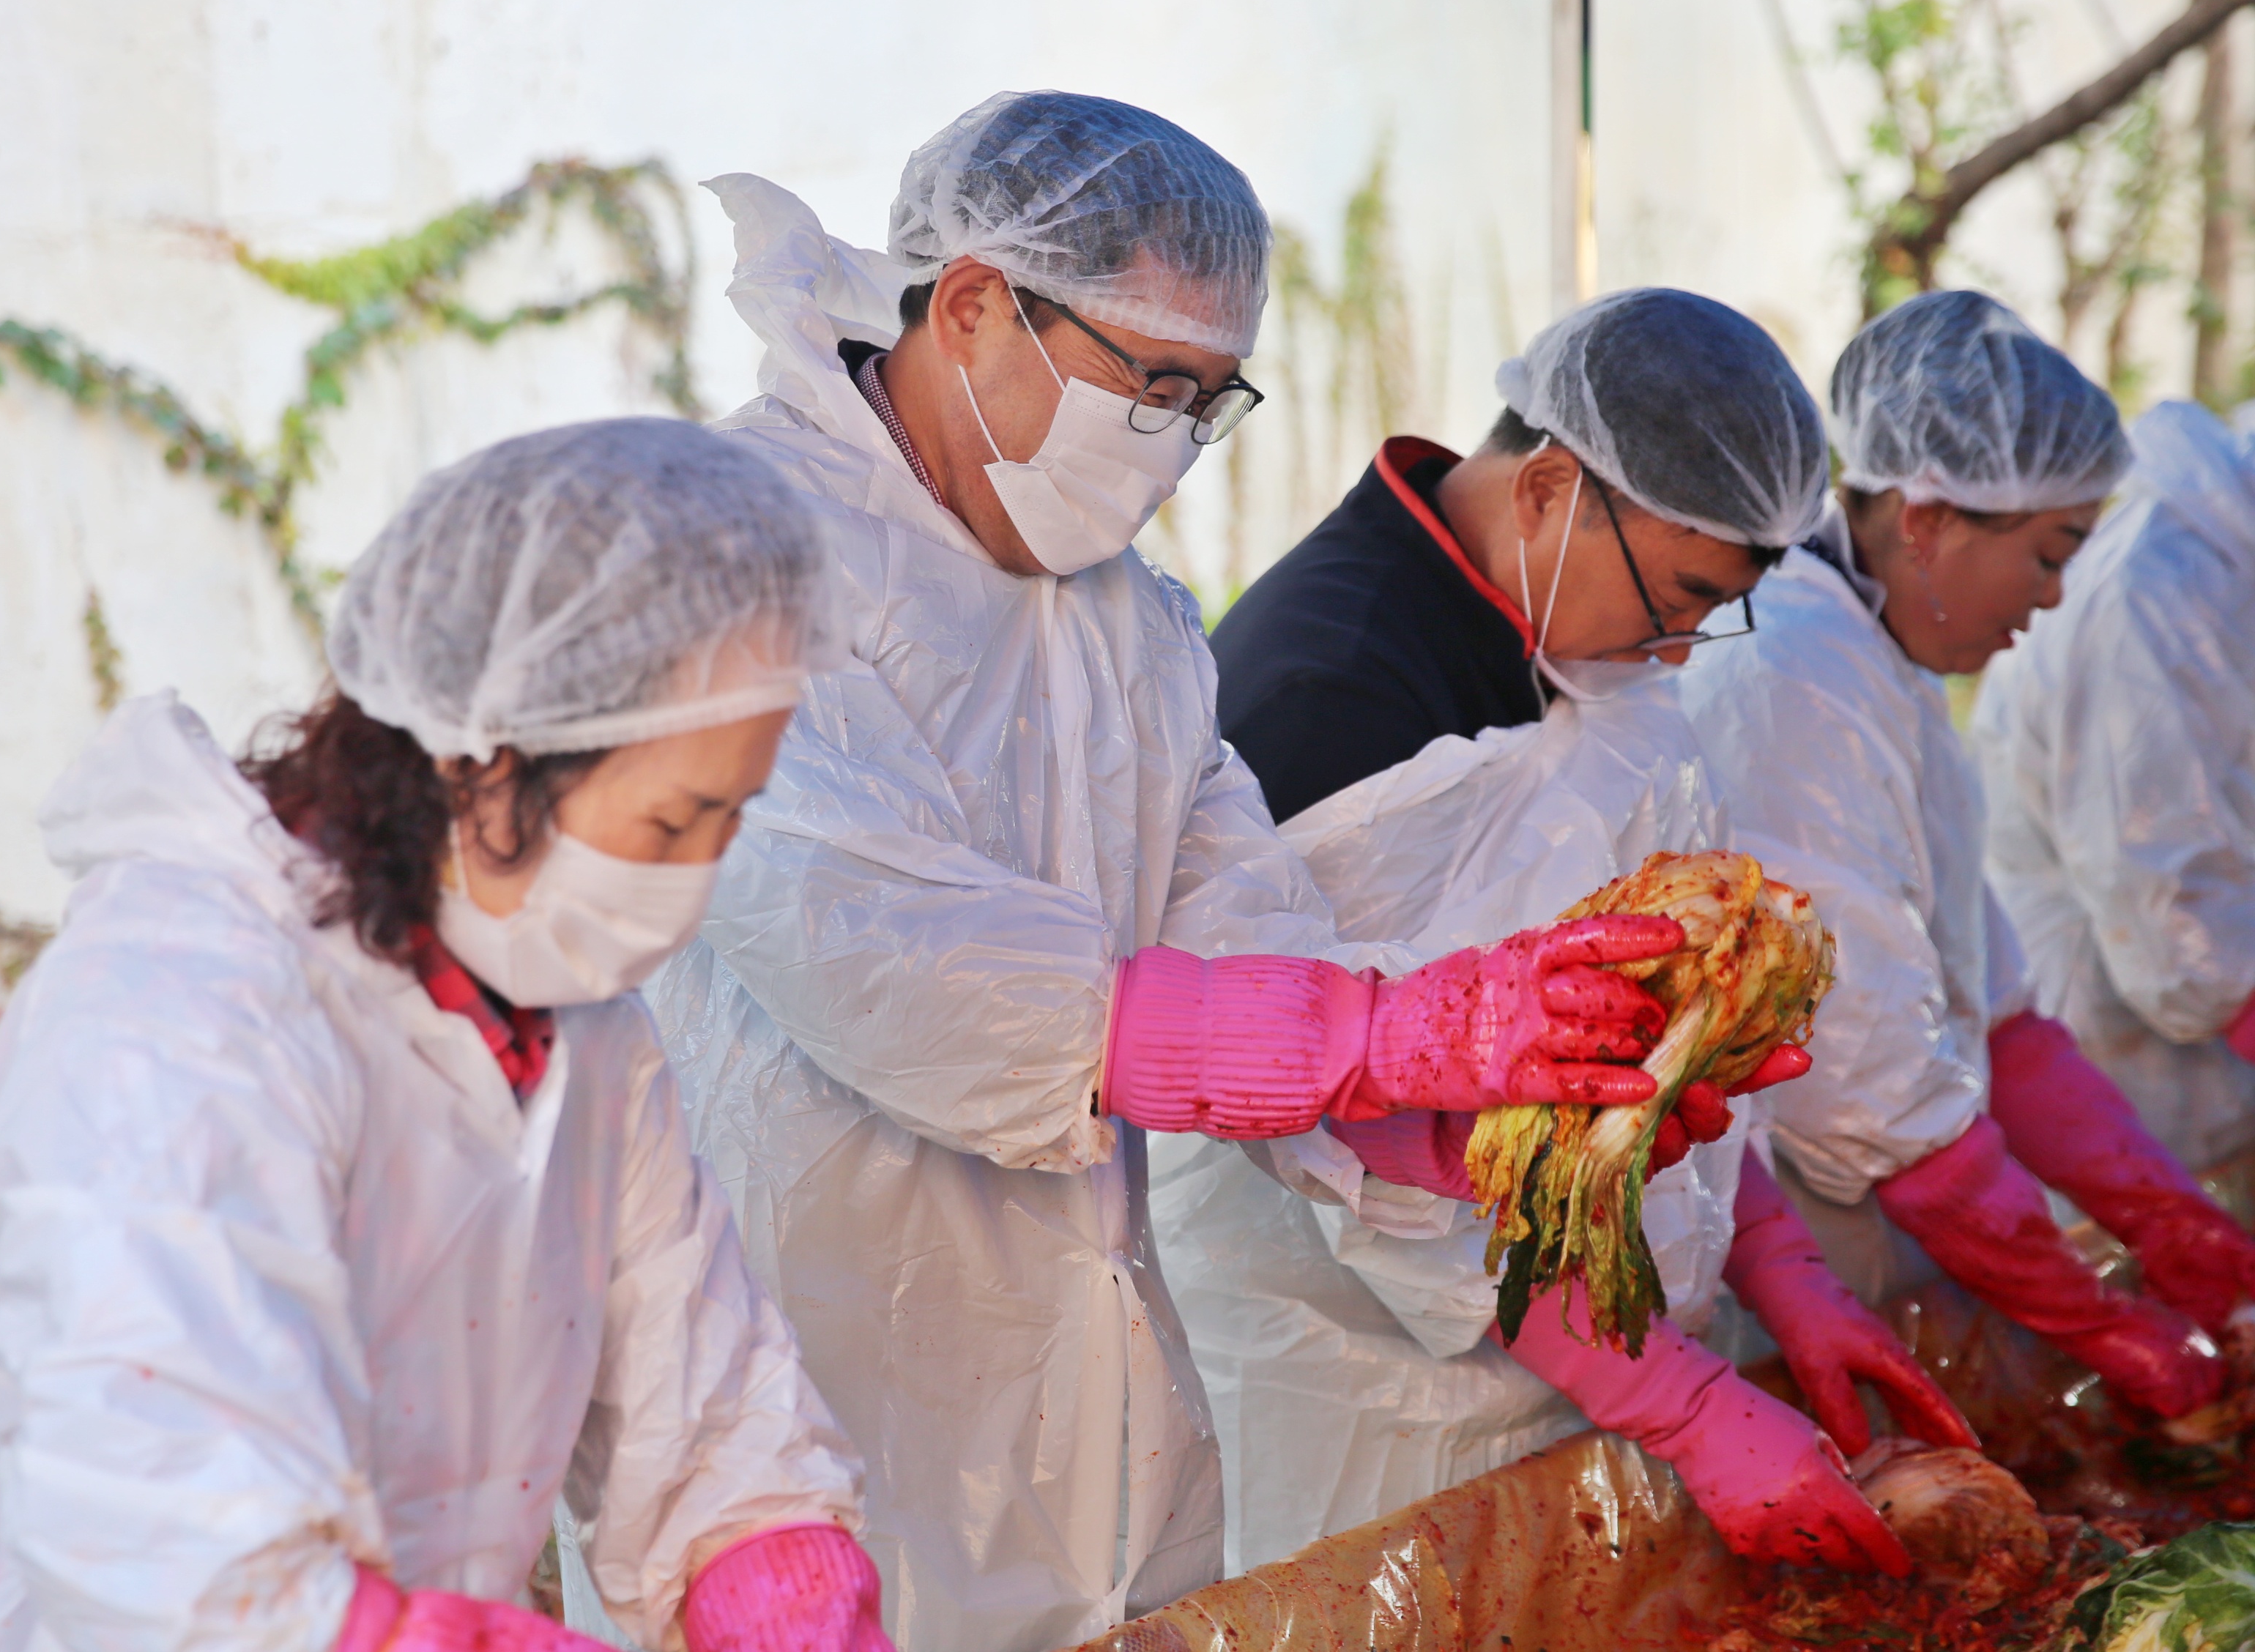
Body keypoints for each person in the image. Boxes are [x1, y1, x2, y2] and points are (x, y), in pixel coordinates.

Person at [655, 92, 1707, 1651]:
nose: (1172, 444)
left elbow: (1240, 927)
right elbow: (920, 977)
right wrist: (1373, 1038)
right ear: (970, 306)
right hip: (807, 1408)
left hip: (1092, 1415)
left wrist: (1474, 1111)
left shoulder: (1124, 618)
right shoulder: (735, 558)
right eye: (1150, 384)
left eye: (1211, 402)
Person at [0, 420, 894, 1652]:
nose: (697, 877)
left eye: (729, 819)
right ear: (482, 760)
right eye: (672, 820)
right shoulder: (181, 1015)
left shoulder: (578, 1028)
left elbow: (706, 1403)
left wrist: (773, 1569)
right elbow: (173, 1537)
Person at [1164, 291, 1964, 1576]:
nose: (1691, 640)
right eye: (1688, 590)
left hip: (1579, 1346)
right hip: (1363, 1383)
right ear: (1546, 488)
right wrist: (1686, 1404)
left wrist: (1775, 1257)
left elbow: (1633, 1046)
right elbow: (1388, 1169)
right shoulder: (1338, 689)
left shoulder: (1580, 653)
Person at [1679, 291, 2247, 1421]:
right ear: (1929, 516)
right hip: (1803, 1212)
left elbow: (2002, 1017)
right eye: (2048, 554)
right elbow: (1874, 1082)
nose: (2055, 598)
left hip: (1903, 1205)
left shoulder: (1886, 670)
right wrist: (2102, 1321)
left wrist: (2175, 1224)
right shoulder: (1793, 679)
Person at [1972, 398, 2255, 1314]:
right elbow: (2172, 925)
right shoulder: (2158, 591)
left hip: (2198, 1064)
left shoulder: (2223, 574)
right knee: (2141, 1331)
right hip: (2109, 1052)